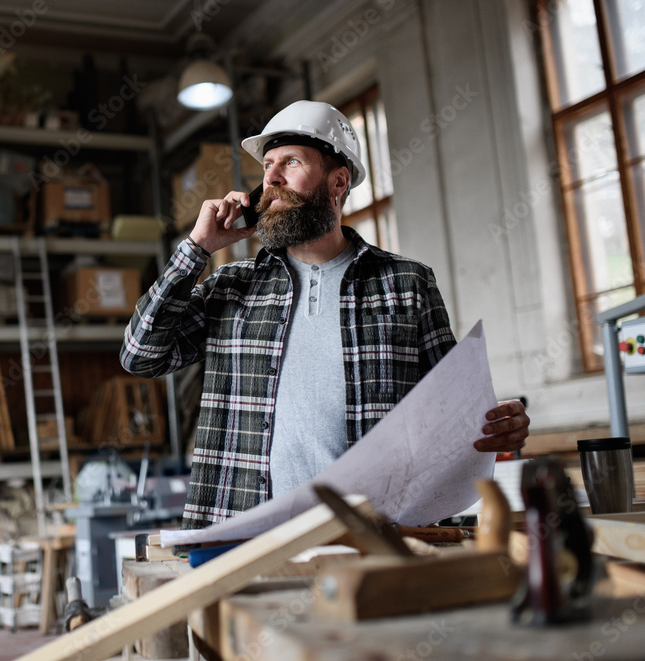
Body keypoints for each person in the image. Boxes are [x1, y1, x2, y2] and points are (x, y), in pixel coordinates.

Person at [120, 100, 529, 531]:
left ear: (338, 182)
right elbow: (141, 355)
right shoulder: (232, 286)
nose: (271, 179)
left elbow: (454, 411)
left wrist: (502, 424)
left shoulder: (407, 284)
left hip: (376, 535)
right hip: (249, 537)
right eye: (267, 167)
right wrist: (196, 249)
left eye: (290, 162)